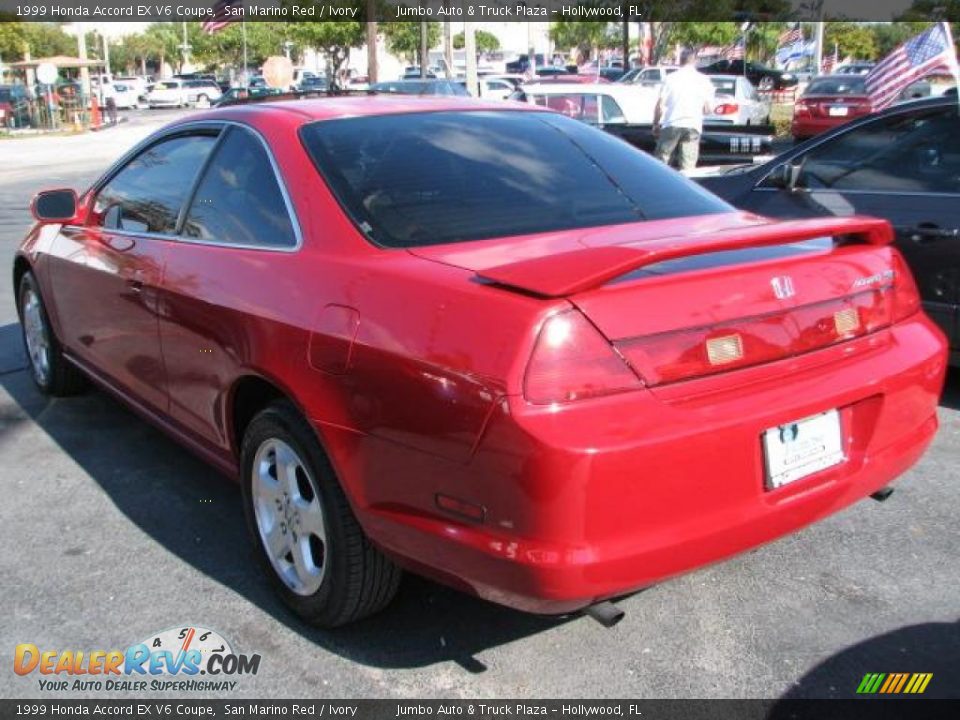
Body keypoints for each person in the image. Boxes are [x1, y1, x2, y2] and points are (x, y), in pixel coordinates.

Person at [652, 49, 716, 171]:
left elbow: (660, 105)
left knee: (661, 163)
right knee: (688, 167)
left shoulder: (670, 78)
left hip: (672, 123)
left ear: (680, 61)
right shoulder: (704, 80)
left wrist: (655, 124)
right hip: (693, 125)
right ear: (695, 61)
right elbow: (708, 109)